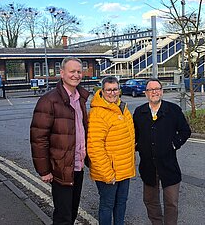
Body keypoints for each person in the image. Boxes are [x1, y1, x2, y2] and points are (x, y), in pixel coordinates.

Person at [30, 56, 90, 225]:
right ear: (62, 73)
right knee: (63, 216)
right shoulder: (49, 100)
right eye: (72, 71)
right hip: (60, 167)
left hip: (77, 165)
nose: (76, 75)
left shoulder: (81, 99)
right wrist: (44, 170)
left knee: (72, 211)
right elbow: (38, 138)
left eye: (79, 71)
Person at [133, 78, 191, 225]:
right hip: (148, 166)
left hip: (169, 164)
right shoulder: (140, 112)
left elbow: (185, 131)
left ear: (162, 91)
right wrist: (140, 146)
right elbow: (134, 135)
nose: (154, 92)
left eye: (157, 89)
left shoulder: (173, 110)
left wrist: (174, 144)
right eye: (151, 90)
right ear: (146, 93)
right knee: (150, 201)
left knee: (171, 202)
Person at [87, 76, 136, 225]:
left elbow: (130, 138)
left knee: (121, 203)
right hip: (109, 171)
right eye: (108, 90)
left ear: (119, 90)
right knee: (107, 205)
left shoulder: (123, 108)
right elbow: (95, 147)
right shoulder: (98, 113)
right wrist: (107, 173)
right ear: (102, 91)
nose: (112, 93)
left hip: (124, 169)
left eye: (115, 89)